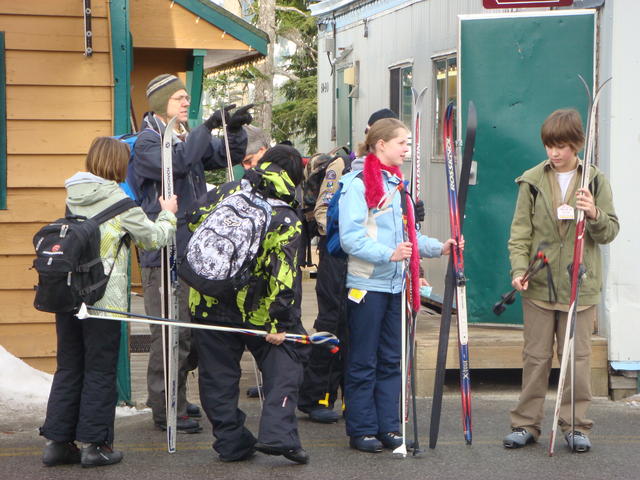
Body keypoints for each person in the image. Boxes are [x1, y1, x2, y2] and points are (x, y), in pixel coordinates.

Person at [40, 137, 178, 467]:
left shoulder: (74, 196)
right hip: (104, 301)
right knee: (100, 371)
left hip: (68, 297)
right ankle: (95, 446)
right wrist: (168, 214)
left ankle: (58, 443)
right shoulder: (121, 203)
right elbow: (154, 239)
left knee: (69, 367)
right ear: (119, 164)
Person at [130, 73, 252, 433]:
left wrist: (233, 131)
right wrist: (208, 126)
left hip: (193, 253)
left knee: (192, 333)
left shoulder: (184, 136)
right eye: (178, 98)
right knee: (171, 334)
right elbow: (178, 162)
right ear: (160, 104)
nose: (186, 102)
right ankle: (165, 405)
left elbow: (227, 155)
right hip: (164, 256)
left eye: (187, 97)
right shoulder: (148, 142)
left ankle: (177, 396)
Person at [338, 118, 459, 453]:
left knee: (392, 358)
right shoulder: (357, 184)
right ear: (381, 145)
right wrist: (388, 254)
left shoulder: (397, 184)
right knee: (364, 359)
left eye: (408, 143)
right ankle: (362, 429)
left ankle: (389, 426)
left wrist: (440, 247)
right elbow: (351, 238)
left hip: (395, 286)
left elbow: (410, 236)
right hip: (366, 285)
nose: (407, 149)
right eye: (402, 143)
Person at [503, 108, 619, 452]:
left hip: (579, 288)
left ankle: (576, 426)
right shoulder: (531, 181)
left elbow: (610, 231)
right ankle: (526, 424)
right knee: (535, 358)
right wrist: (518, 270)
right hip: (538, 285)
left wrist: (594, 213)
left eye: (561, 146)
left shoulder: (594, 181)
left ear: (577, 144)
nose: (554, 153)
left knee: (577, 361)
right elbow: (519, 233)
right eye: (549, 145)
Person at [298, 108, 423, 424]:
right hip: (341, 260)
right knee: (332, 325)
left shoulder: (394, 178)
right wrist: (350, 245)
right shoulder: (345, 166)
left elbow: (398, 227)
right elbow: (324, 210)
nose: (404, 149)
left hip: (376, 265)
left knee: (366, 343)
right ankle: (317, 395)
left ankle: (356, 405)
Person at [188, 145, 310, 464]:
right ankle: (278, 434)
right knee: (287, 358)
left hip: (207, 298)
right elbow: (283, 277)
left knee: (217, 375)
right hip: (257, 308)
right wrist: (281, 324)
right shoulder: (285, 216)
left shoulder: (227, 191)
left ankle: (231, 442)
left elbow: (191, 221)